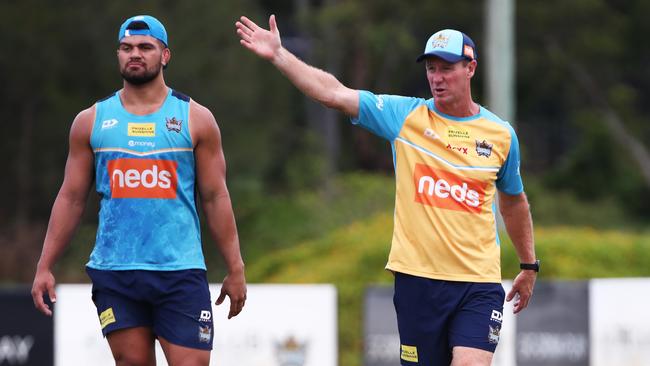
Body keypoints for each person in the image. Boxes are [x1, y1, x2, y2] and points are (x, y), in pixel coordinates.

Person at [236, 15, 538, 366]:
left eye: (447, 69)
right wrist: (280, 56)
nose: (437, 79)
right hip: (418, 282)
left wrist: (529, 265)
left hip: (478, 284)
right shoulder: (406, 116)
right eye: (431, 69)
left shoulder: (501, 134)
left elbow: (514, 202)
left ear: (471, 68)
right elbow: (335, 94)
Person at [31, 15, 247, 366]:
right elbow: (71, 198)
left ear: (165, 56)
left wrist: (235, 267)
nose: (135, 54)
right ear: (118, 54)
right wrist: (45, 265)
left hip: (179, 270)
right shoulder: (92, 121)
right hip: (116, 271)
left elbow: (215, 196)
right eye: (127, 48)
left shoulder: (196, 119)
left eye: (146, 47)